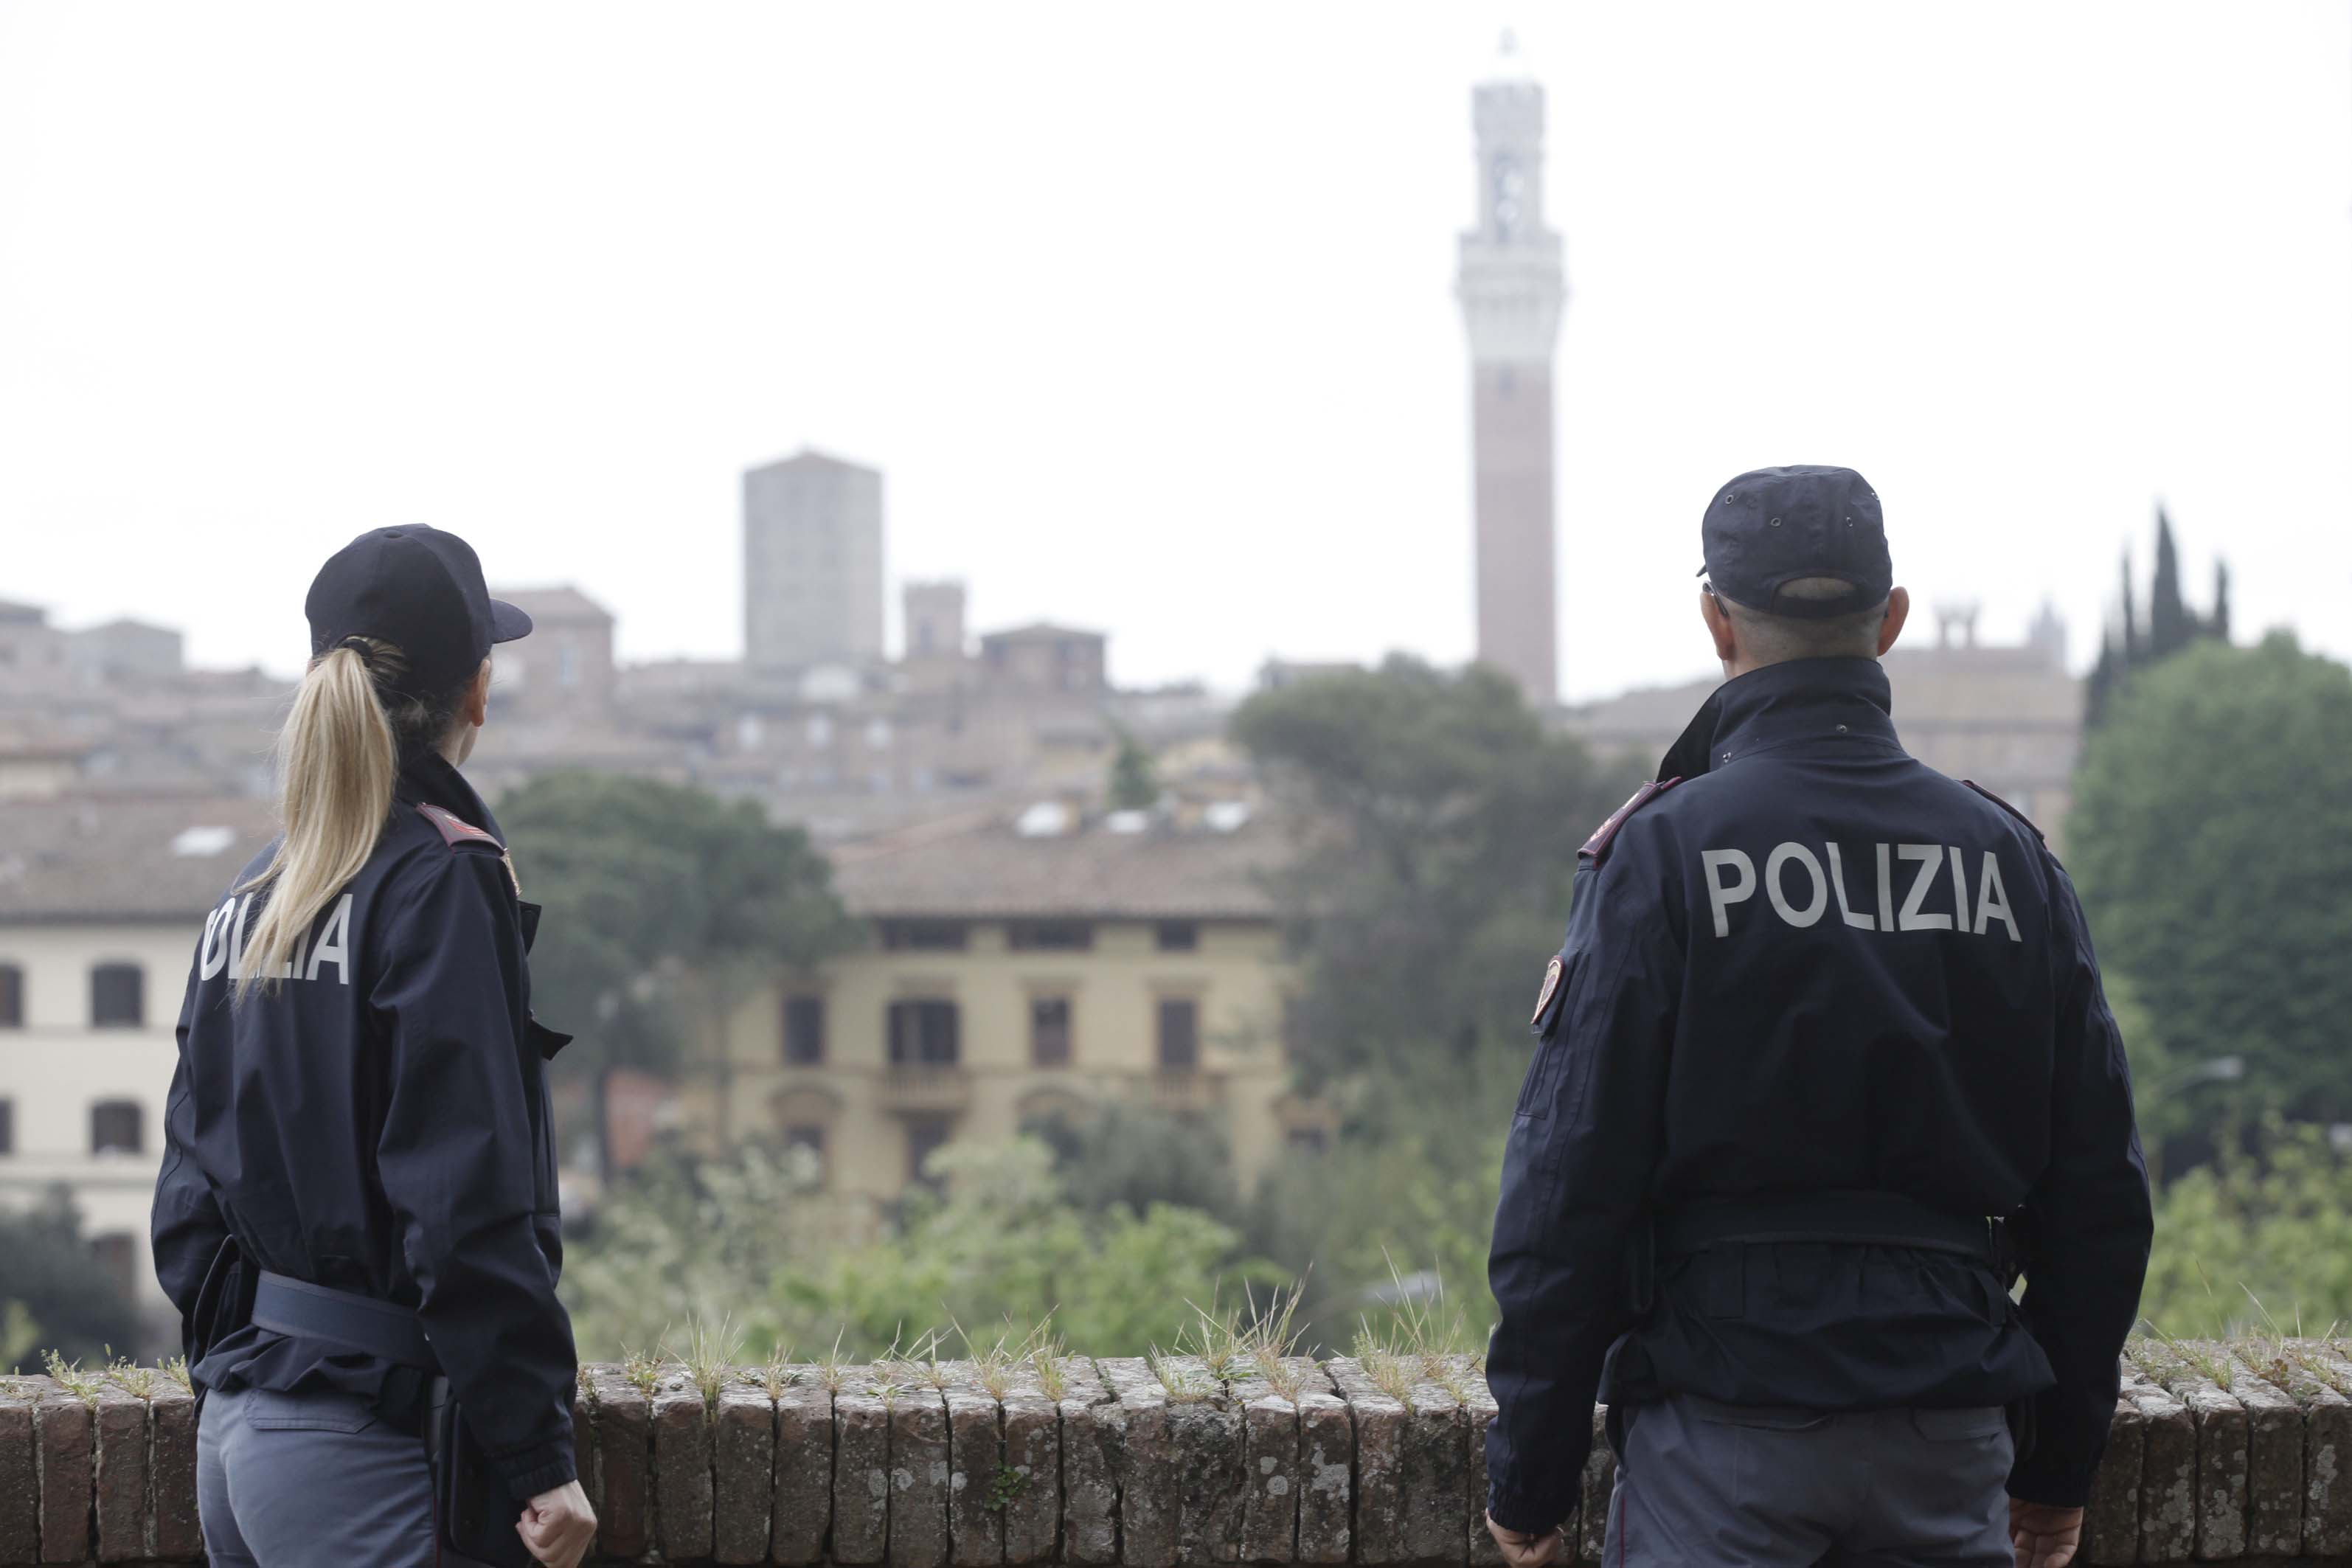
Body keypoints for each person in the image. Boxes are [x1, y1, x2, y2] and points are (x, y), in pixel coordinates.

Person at [1481, 467, 2152, 1568]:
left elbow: (1568, 1187)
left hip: (1720, 1436)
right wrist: (2055, 1465)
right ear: (1889, 622)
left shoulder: (1660, 853)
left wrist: (1530, 1474)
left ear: (1715, 622)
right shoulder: (2007, 857)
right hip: (1950, 1429)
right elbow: (2099, 1195)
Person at [151, 525, 597, 1568]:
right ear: (475, 691)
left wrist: (247, 1370)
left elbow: (186, 1198)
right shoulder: (444, 879)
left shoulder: (253, 894)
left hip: (239, 1437)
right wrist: (535, 1449)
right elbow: (465, 1202)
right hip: (361, 1442)